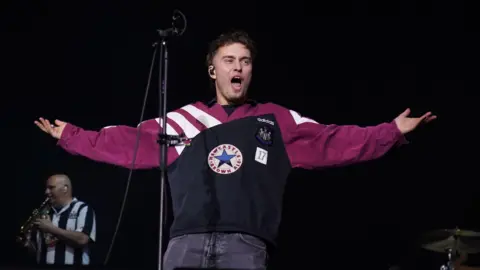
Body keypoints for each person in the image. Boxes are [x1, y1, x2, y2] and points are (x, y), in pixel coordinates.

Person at [34, 30, 436, 270]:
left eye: (244, 61)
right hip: (185, 242)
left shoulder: (275, 119)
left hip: (245, 244)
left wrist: (390, 132)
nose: (237, 67)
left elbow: (332, 141)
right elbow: (124, 141)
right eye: (229, 60)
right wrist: (72, 135)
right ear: (214, 69)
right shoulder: (182, 120)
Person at [27, 174, 96, 266]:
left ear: (65, 188)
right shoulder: (45, 213)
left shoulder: (82, 208)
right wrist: (28, 243)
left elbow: (82, 239)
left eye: (51, 188)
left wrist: (51, 229)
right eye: (46, 188)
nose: (46, 192)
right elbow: (38, 252)